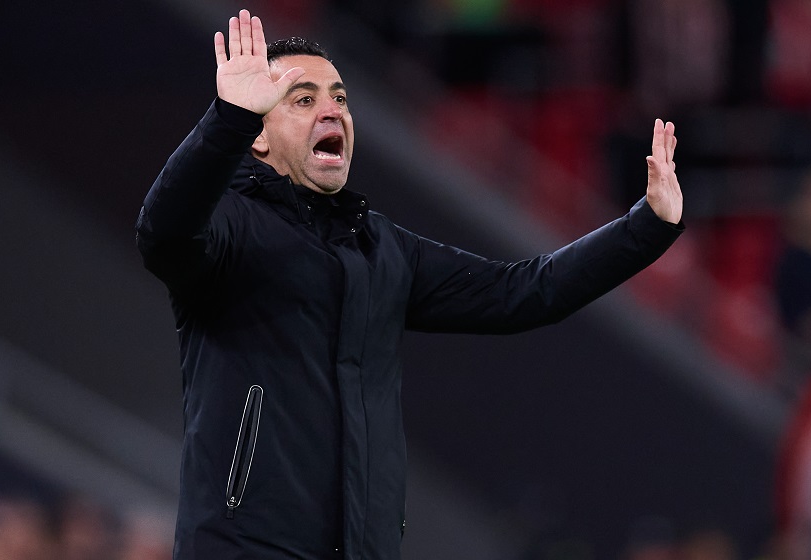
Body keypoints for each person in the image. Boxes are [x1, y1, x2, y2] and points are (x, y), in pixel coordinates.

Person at [135, 9, 684, 560]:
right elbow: (162, 234)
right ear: (258, 136)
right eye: (303, 100)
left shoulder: (382, 249)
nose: (332, 110)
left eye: (341, 98)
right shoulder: (229, 226)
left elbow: (524, 291)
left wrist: (646, 228)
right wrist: (227, 119)